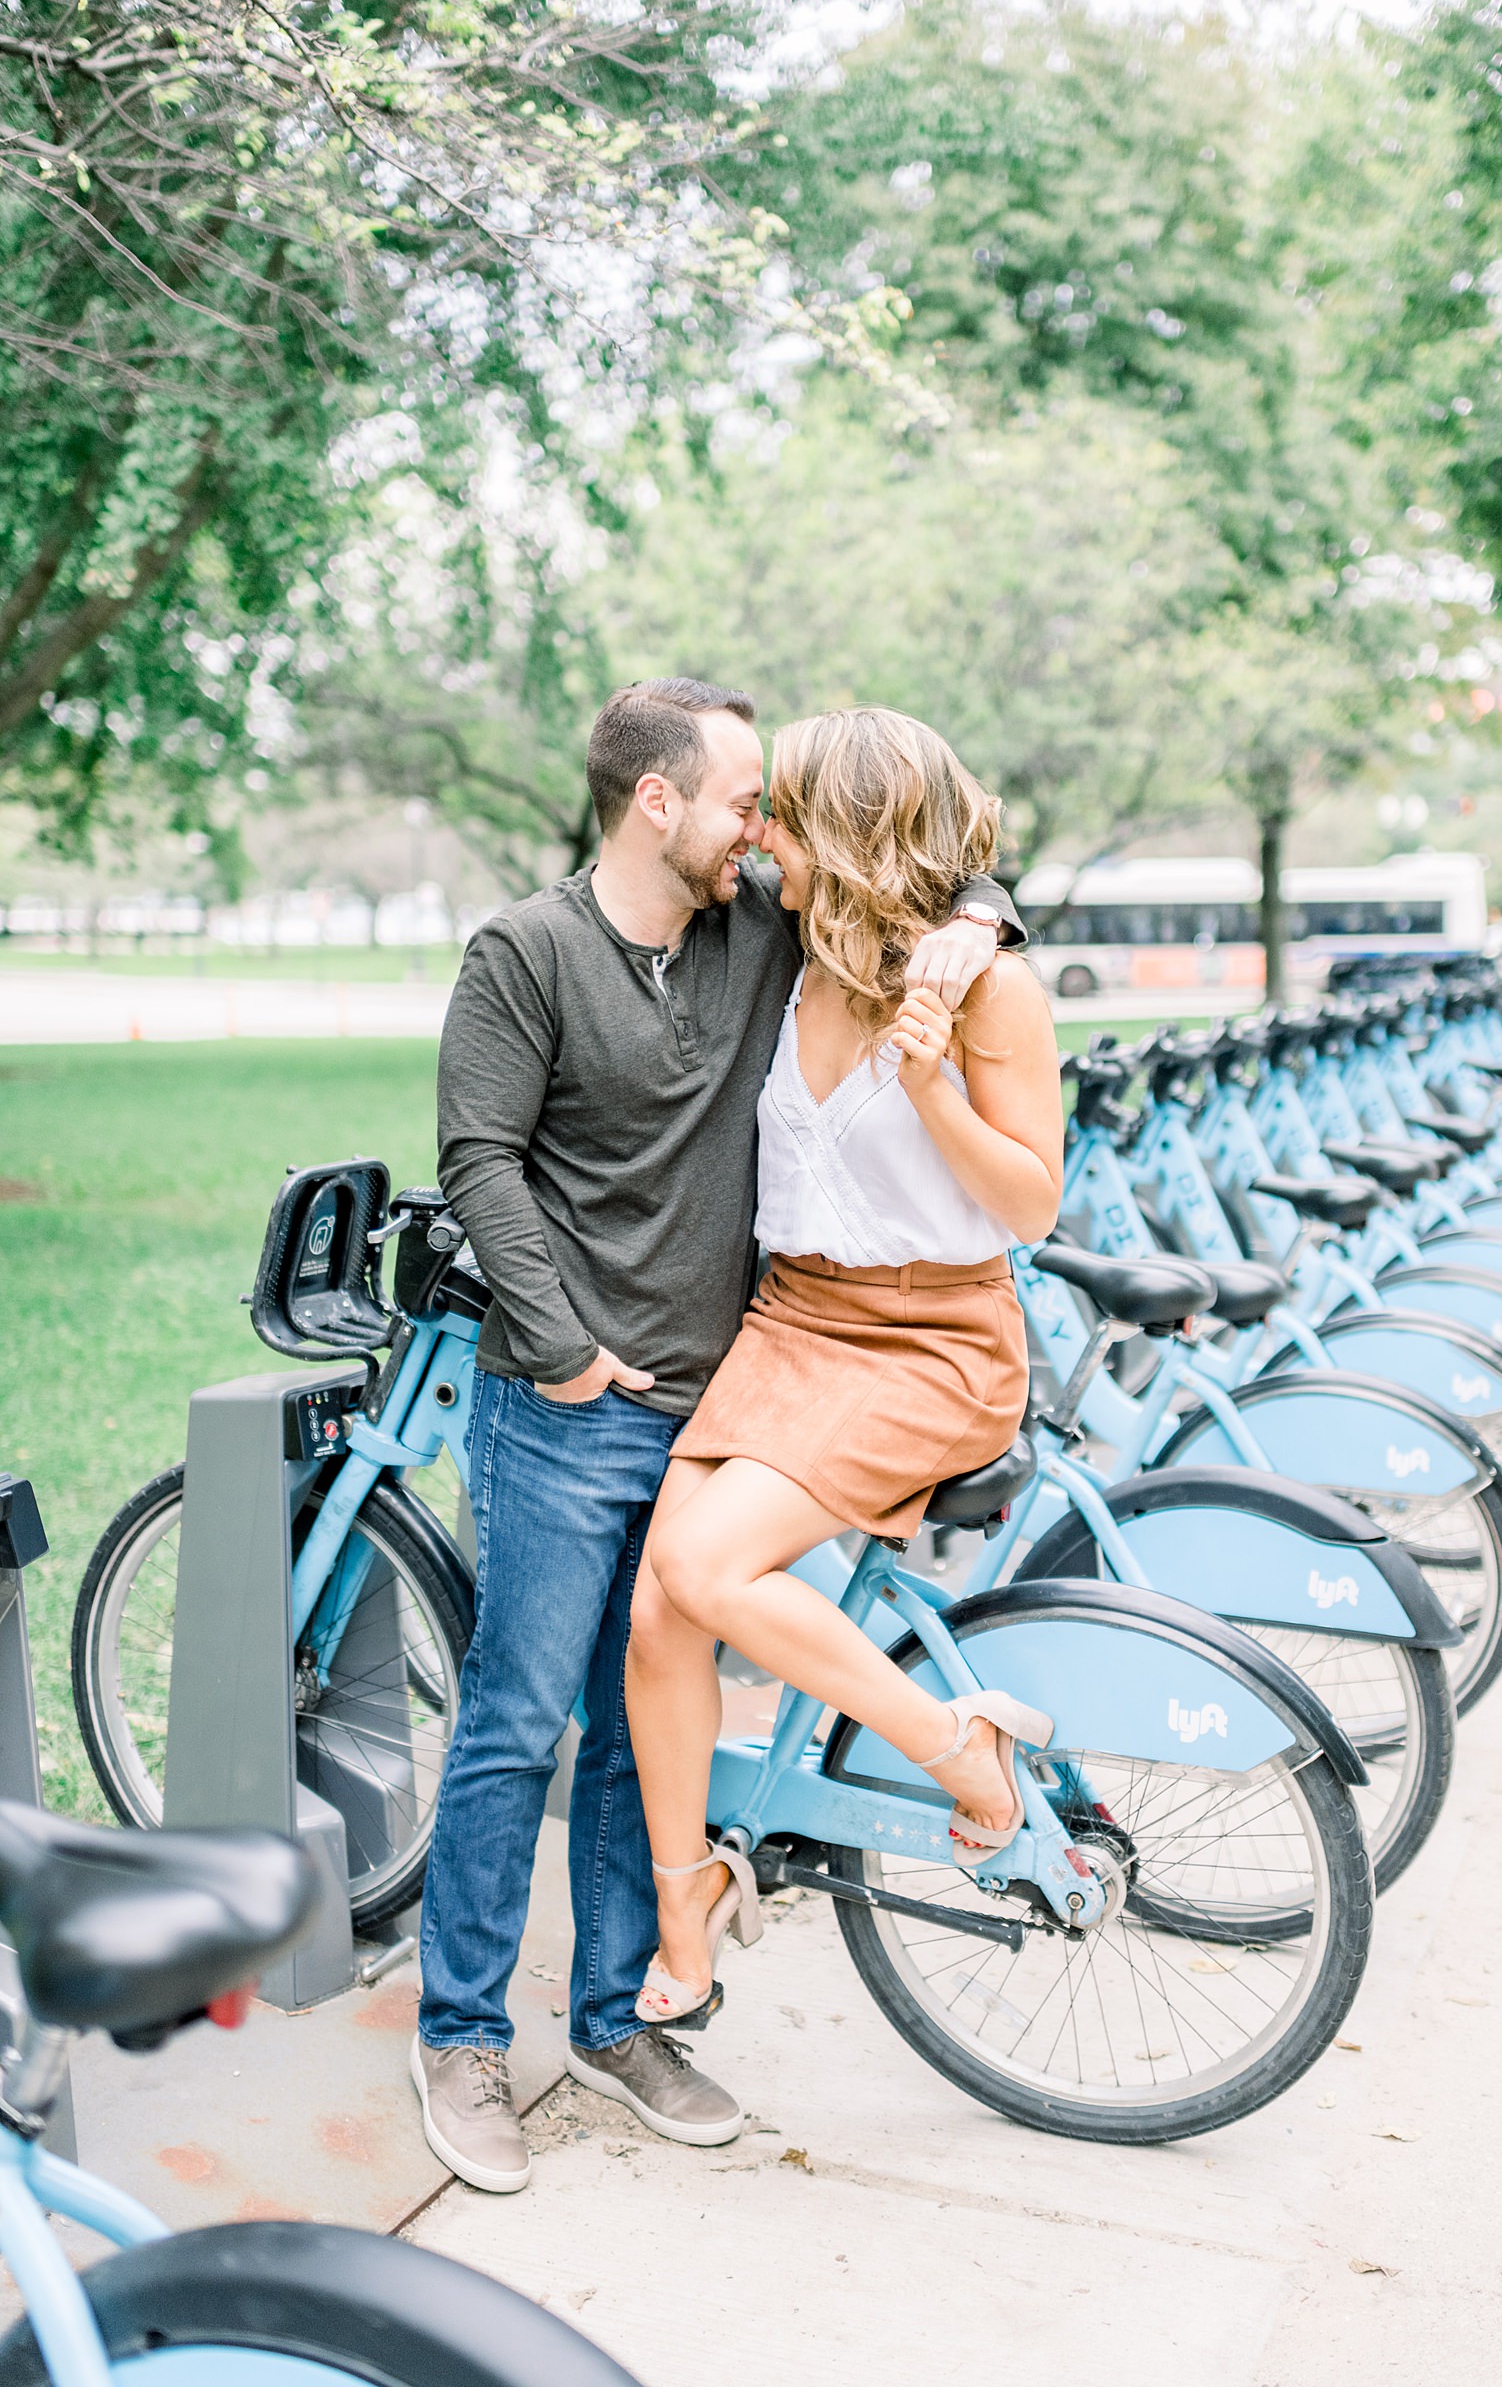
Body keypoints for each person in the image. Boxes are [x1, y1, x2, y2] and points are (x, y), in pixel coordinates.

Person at [411, 679, 1021, 2191]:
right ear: (655, 801)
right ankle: (466, 2040)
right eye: (741, 801)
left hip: (738, 1391)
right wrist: (562, 1353)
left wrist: (984, 920)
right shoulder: (526, 953)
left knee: (644, 1721)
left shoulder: (765, 930)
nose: (762, 826)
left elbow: (927, 871)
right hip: (564, 1408)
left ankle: (620, 2021)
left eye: (770, 806)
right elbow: (478, 1157)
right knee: (516, 1722)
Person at [623, 707, 1065, 2026]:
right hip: (793, 1322)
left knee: (707, 1567)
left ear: (849, 831)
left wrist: (934, 1086)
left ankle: (959, 1750)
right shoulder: (787, 944)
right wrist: (983, 906)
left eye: (783, 816)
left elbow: (1033, 1204)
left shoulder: (985, 985)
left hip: (933, 1341)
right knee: (661, 1612)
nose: (759, 837)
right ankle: (684, 1894)